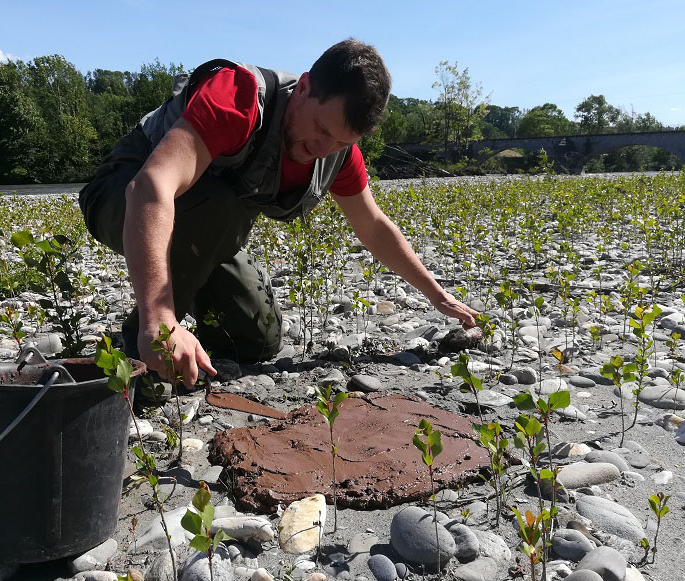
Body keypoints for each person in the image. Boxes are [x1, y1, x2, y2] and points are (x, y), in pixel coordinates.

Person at [78, 39, 477, 387]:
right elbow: (150, 188)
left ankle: (188, 328)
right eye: (320, 128)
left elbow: (373, 227)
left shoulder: (338, 153)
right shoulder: (238, 97)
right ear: (303, 87)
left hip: (205, 232)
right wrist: (158, 318)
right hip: (121, 197)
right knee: (224, 208)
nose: (323, 147)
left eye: (340, 142)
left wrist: (438, 296)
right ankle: (141, 350)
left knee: (257, 341)